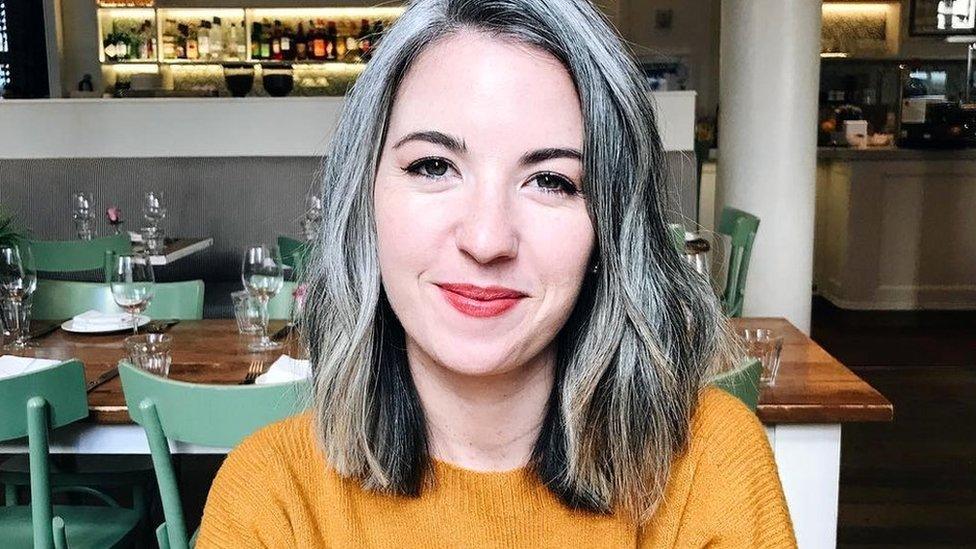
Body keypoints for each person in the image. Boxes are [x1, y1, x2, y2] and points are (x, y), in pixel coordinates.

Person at [198, 0, 795, 546]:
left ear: (611, 227)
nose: (486, 240)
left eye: (552, 181)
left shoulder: (711, 465)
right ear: (364, 199)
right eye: (433, 166)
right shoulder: (270, 497)